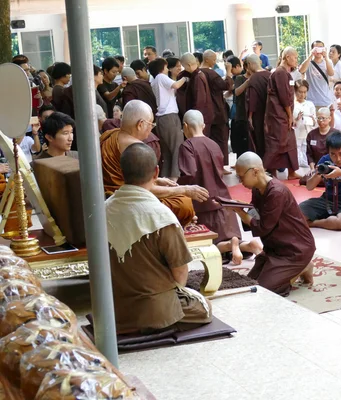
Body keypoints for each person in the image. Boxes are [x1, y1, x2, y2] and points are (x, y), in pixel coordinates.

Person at [106, 143, 212, 334]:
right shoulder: (161, 217)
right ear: (156, 173)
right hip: (152, 310)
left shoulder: (104, 209)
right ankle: (157, 322)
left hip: (113, 307)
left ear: (121, 172)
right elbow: (180, 272)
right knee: (203, 308)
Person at [100, 100, 208, 226]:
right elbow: (144, 189)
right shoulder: (136, 148)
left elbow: (131, 177)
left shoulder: (109, 135)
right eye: (151, 124)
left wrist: (157, 180)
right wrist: (184, 190)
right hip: (129, 200)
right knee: (184, 203)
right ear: (140, 124)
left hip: (106, 198)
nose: (151, 128)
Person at [178, 110, 262, 264]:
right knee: (229, 238)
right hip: (224, 203)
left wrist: (177, 188)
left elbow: (189, 174)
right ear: (203, 126)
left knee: (205, 247)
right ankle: (249, 245)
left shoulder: (187, 146)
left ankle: (232, 244)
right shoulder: (214, 144)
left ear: (185, 126)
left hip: (203, 205)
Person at [230, 152, 316, 296]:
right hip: (275, 248)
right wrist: (240, 207)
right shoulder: (258, 189)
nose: (240, 181)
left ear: (255, 172)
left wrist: (239, 211)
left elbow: (263, 227)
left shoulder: (277, 192)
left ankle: (302, 267)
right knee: (249, 284)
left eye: (241, 176)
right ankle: (297, 268)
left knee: (264, 291)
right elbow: (255, 213)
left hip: (295, 250)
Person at [300, 132, 341, 230]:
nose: (338, 159)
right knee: (296, 213)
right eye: (333, 154)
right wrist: (318, 174)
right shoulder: (325, 160)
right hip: (327, 201)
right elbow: (309, 187)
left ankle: (313, 223)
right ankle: (328, 221)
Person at [263, 47, 301, 180]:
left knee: (290, 142)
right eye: (295, 57)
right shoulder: (279, 73)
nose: (297, 60)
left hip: (284, 114)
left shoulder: (286, 73)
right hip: (278, 115)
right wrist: (290, 115)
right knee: (277, 143)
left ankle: (291, 172)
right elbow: (284, 97)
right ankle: (265, 170)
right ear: (287, 57)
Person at [148, 58, 188, 180]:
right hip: (169, 117)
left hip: (161, 118)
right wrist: (185, 78)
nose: (167, 70)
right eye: (166, 67)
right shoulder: (161, 77)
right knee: (177, 148)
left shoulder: (155, 81)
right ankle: (175, 179)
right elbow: (176, 85)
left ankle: (166, 178)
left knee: (167, 152)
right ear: (161, 69)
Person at [200, 50, 234, 171]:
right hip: (217, 111)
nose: (215, 62)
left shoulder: (198, 73)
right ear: (207, 59)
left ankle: (209, 166)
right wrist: (228, 72)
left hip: (203, 113)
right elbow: (226, 85)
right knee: (221, 139)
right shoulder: (210, 73)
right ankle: (220, 166)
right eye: (214, 59)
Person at [178, 53, 214, 132]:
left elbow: (199, 101)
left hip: (200, 118)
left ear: (189, 65)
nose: (184, 69)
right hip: (201, 116)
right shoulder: (197, 74)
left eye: (184, 67)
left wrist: (193, 119)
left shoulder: (198, 78)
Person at [245, 54, 271, 159]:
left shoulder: (254, 78)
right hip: (270, 112)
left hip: (258, 114)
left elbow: (252, 99)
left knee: (259, 139)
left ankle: (261, 163)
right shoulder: (270, 75)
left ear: (250, 64)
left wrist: (250, 116)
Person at [299, 40, 335, 110]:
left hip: (325, 100)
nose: (318, 50)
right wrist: (310, 55)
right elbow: (301, 70)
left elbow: (331, 73)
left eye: (321, 47)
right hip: (311, 101)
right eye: (316, 48)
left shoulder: (327, 62)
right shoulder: (308, 63)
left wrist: (326, 58)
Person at [293, 80, 316, 168]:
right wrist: (297, 119)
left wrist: (312, 119)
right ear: (295, 91)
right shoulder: (292, 104)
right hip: (296, 134)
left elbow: (315, 122)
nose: (302, 95)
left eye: (304, 92)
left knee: (306, 152)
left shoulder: (310, 104)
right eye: (300, 92)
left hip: (307, 133)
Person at [231, 59, 252, 156]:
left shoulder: (258, 77)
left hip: (254, 115)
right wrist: (247, 83)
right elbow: (236, 92)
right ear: (246, 67)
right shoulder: (240, 78)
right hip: (242, 115)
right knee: (242, 144)